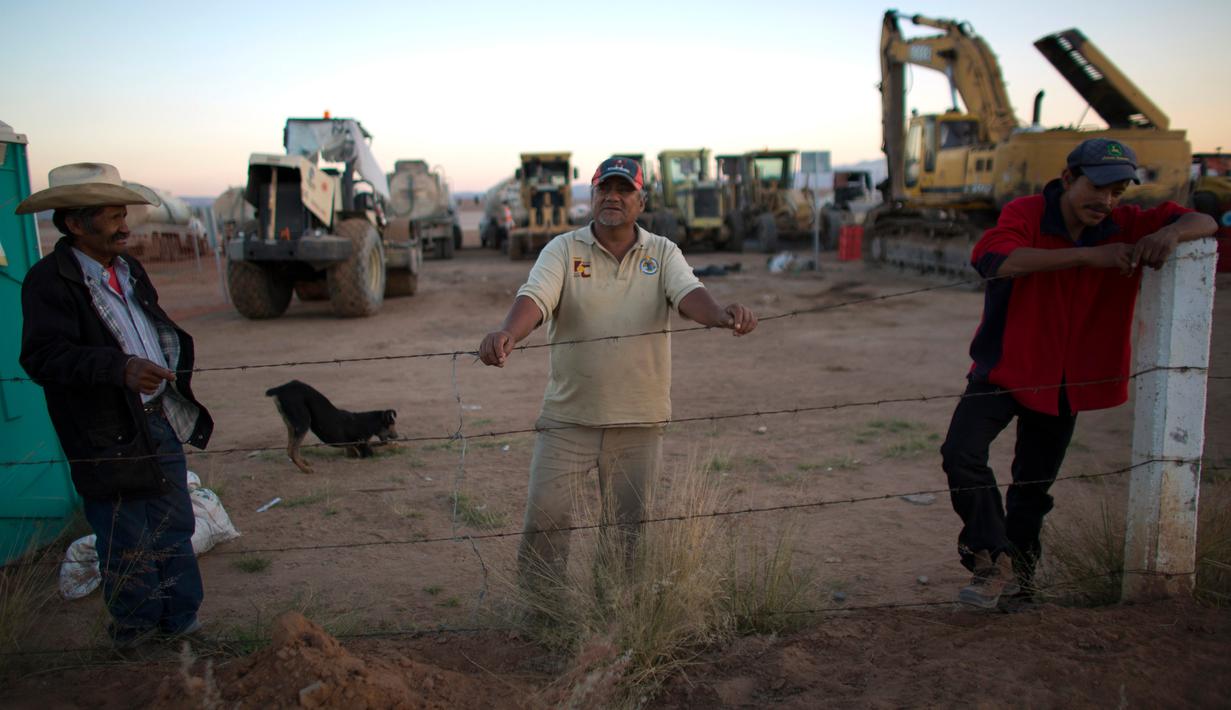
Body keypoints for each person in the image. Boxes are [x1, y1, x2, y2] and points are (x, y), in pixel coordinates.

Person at [939, 139, 1217, 609]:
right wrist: (1091, 257)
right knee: (961, 454)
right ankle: (992, 557)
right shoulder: (1027, 213)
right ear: (1068, 179)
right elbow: (998, 259)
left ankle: (1019, 584)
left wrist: (1170, 234)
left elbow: (1205, 221)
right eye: (1097, 187)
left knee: (1032, 489)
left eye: (1117, 191)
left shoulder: (1127, 223)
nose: (1106, 201)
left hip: (1066, 382)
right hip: (1005, 366)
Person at [478, 157, 757, 592]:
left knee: (628, 532)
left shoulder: (662, 252)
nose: (613, 196)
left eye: (624, 190)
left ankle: (614, 614)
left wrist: (721, 315)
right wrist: (508, 333)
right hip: (569, 418)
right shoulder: (563, 250)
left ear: (641, 201)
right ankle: (543, 614)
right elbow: (536, 297)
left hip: (639, 420)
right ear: (592, 196)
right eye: (604, 188)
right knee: (546, 520)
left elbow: (689, 294)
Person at [17, 163, 214, 648]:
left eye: (124, 214)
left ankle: (180, 621)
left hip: (156, 418)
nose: (124, 226)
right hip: (104, 431)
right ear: (75, 223)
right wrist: (119, 368)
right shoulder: (49, 281)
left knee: (174, 524)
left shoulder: (130, 270)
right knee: (125, 535)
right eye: (112, 217)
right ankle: (136, 632)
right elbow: (43, 357)